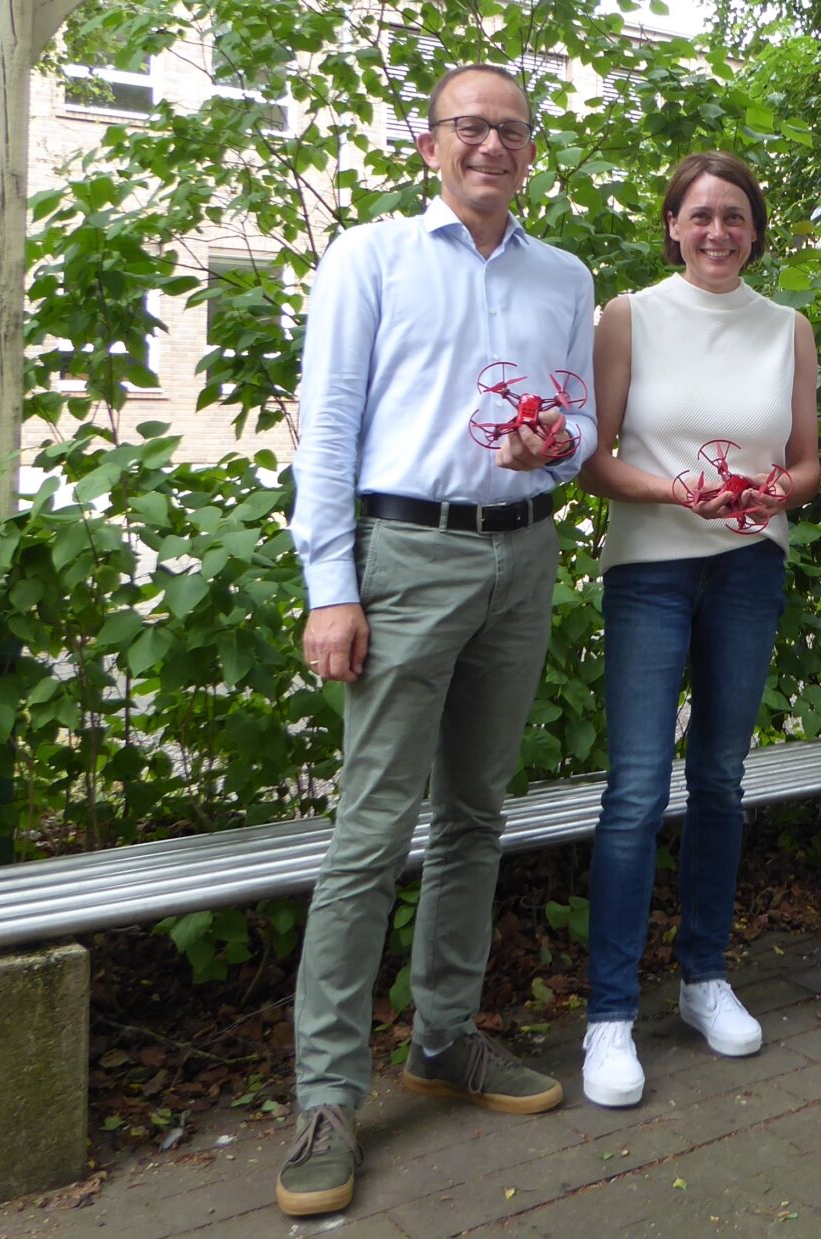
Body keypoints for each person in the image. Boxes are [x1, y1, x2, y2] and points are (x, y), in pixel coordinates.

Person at [278, 64, 596, 1215]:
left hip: (524, 553)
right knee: (370, 828)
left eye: (509, 130)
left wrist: (552, 449)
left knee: (474, 814)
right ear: (430, 144)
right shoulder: (370, 258)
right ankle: (326, 1096)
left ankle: (444, 1039)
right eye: (470, 127)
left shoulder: (564, 275)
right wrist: (331, 586)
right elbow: (328, 431)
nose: (490, 146)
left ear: (529, 147)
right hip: (404, 558)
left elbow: (581, 428)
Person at [576, 151, 819, 1108]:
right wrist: (679, 490)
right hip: (650, 570)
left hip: (750, 565)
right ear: (672, 224)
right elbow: (593, 460)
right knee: (637, 788)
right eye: (701, 215)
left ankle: (703, 978)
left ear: (756, 229)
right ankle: (608, 1015)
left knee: (719, 775)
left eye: (737, 216)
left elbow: (806, 463)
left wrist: (769, 495)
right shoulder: (629, 315)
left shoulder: (787, 329)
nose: (719, 231)